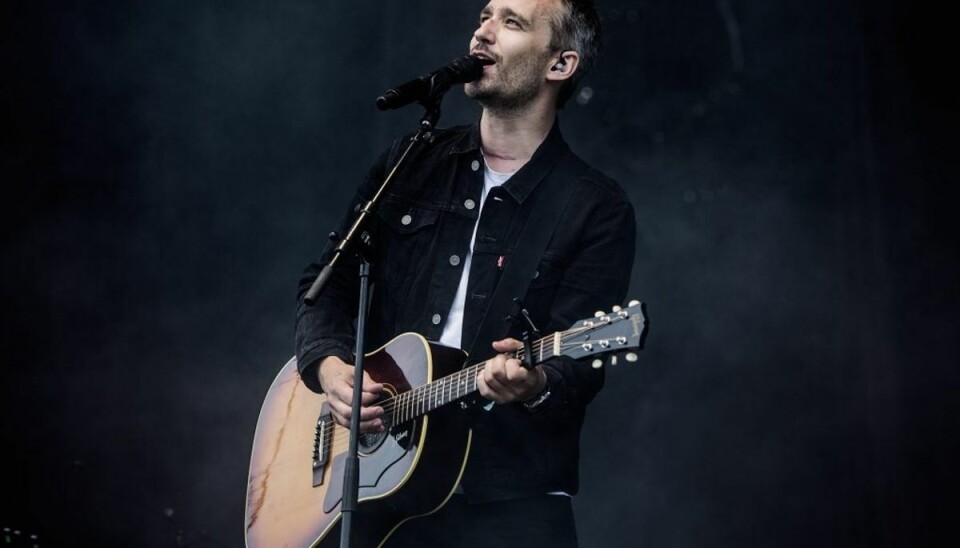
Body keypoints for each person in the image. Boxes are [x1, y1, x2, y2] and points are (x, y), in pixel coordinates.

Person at [295, 0, 635, 546]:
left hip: (508, 498)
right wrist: (334, 372)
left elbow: (581, 364)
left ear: (560, 66)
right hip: (382, 484)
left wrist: (533, 384)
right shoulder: (412, 161)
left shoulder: (593, 206)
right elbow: (325, 285)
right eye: (485, 16)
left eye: (512, 22)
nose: (483, 32)